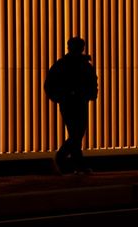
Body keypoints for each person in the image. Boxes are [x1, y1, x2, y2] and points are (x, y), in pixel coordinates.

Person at [44, 37, 98, 174]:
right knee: (76, 133)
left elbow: (92, 82)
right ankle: (68, 160)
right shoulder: (79, 65)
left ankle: (67, 160)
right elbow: (50, 84)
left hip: (75, 102)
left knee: (77, 133)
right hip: (73, 102)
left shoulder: (65, 64)